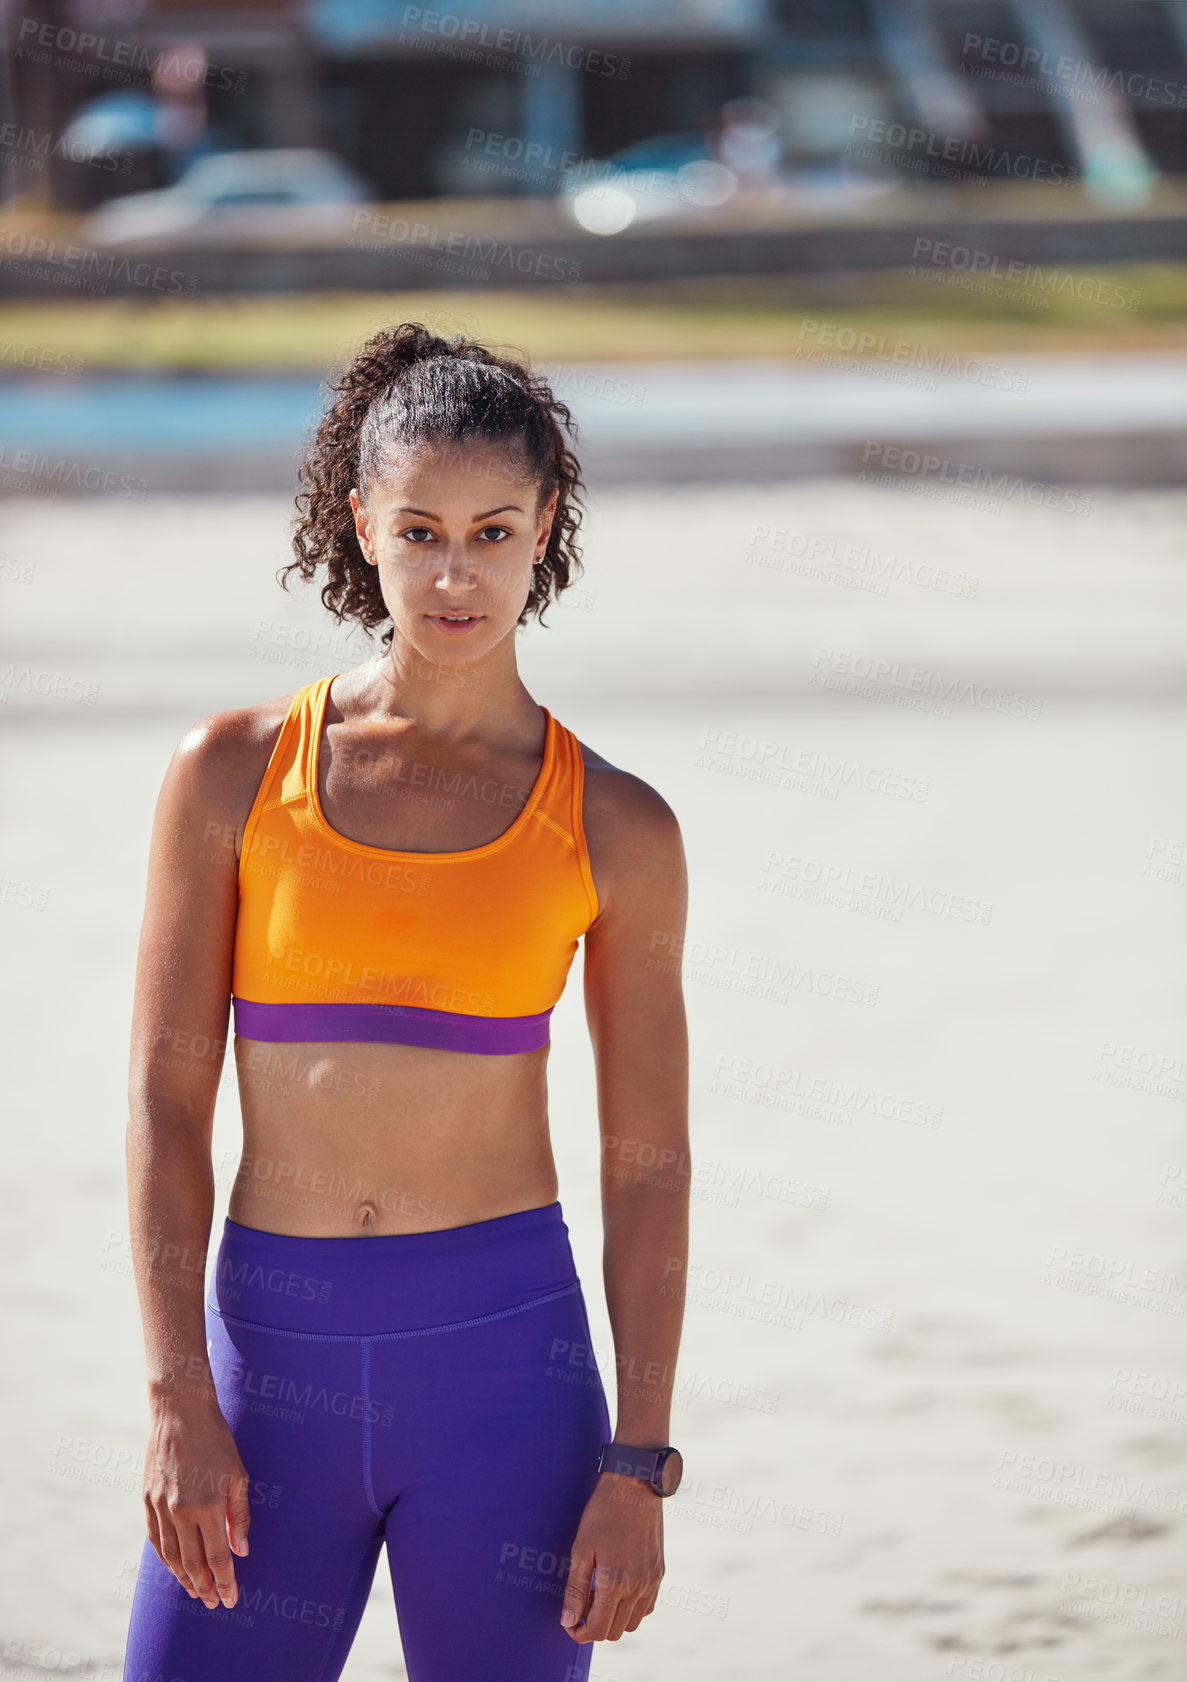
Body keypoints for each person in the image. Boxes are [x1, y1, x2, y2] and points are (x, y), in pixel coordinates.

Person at [120, 321, 690, 1682]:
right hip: (267, 1364)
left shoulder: (616, 825)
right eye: (421, 527)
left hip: (508, 1379)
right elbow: (162, 1098)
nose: (455, 571)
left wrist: (639, 1461)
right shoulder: (233, 774)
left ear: (546, 529)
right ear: (360, 517)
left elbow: (650, 1162)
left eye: (495, 531)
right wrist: (176, 1398)